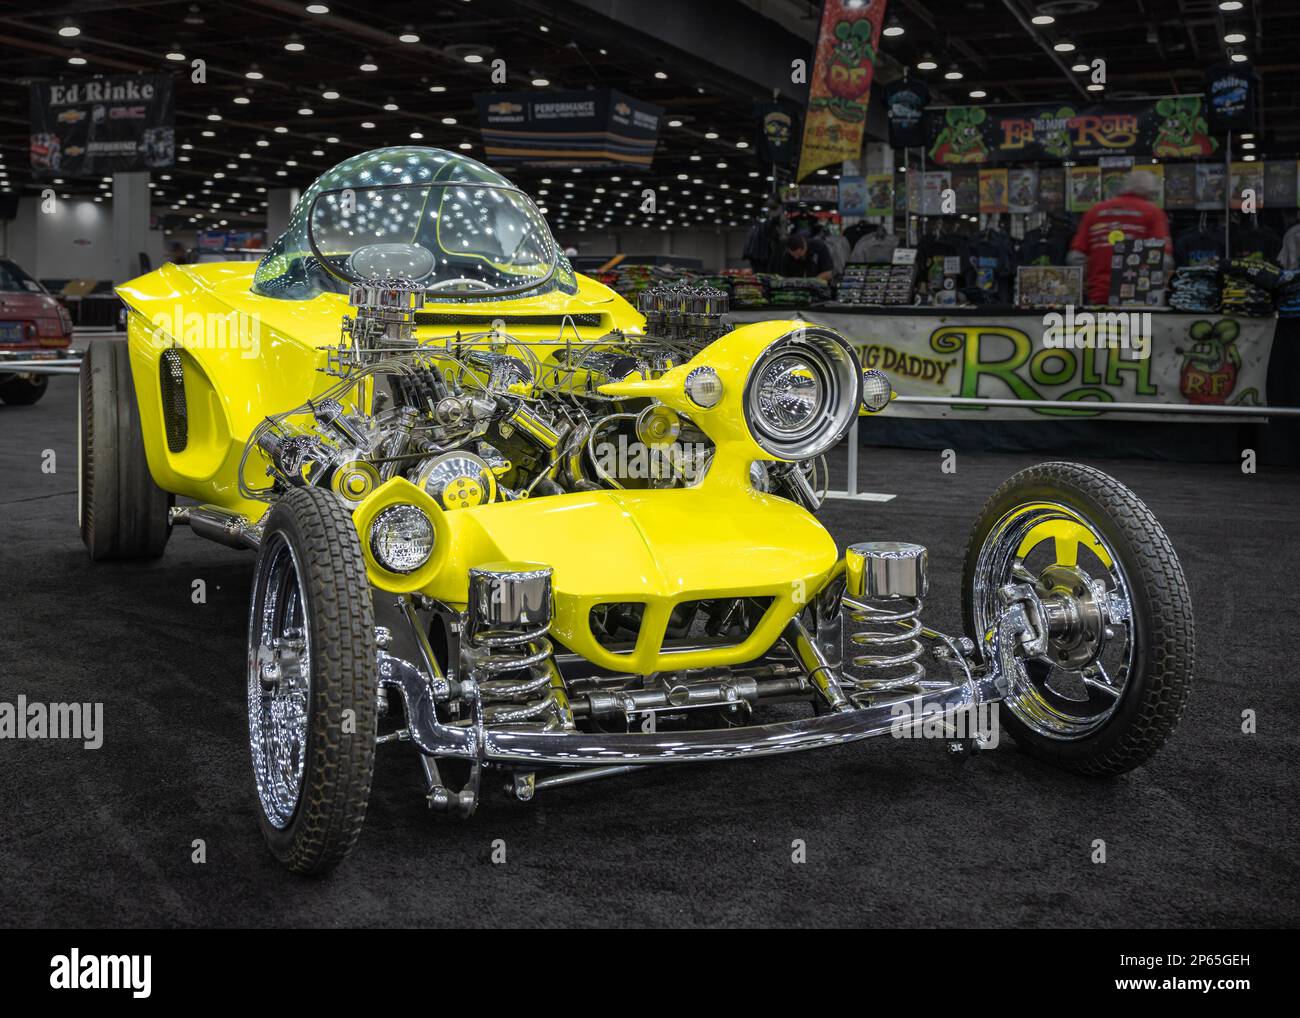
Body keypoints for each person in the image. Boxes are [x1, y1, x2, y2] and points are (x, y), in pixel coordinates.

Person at [1067, 170, 1172, 304]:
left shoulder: (1095, 211)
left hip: (1099, 295)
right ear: (1149, 192)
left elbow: (1075, 257)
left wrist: (1091, 283)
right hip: (1140, 299)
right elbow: (1163, 259)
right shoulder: (1153, 213)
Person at [743, 196, 786, 273]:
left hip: (755, 252)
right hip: (760, 253)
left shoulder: (766, 219)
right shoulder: (774, 218)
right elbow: (782, 238)